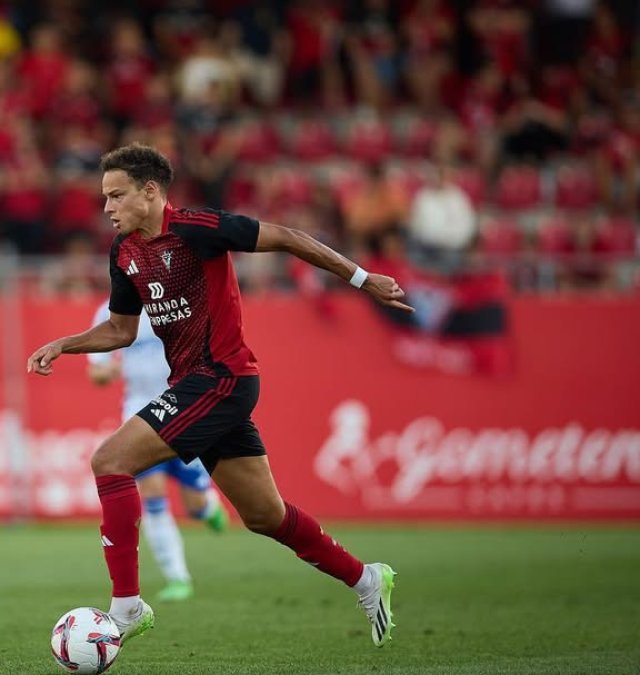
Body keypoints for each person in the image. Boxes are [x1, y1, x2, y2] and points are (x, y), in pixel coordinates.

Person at [27, 144, 412, 648]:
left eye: (116, 195)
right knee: (264, 516)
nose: (107, 208)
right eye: (104, 198)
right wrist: (65, 344)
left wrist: (362, 279)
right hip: (194, 385)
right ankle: (366, 578)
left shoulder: (196, 229)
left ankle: (126, 608)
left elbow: (289, 238)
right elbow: (121, 330)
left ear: (150, 191)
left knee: (110, 460)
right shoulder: (124, 253)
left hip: (222, 377)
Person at [87, 300, 229, 602]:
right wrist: (107, 371)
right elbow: (96, 373)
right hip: (139, 416)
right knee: (151, 495)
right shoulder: (107, 312)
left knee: (194, 505)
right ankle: (178, 577)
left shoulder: (175, 303)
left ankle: (207, 508)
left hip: (184, 409)